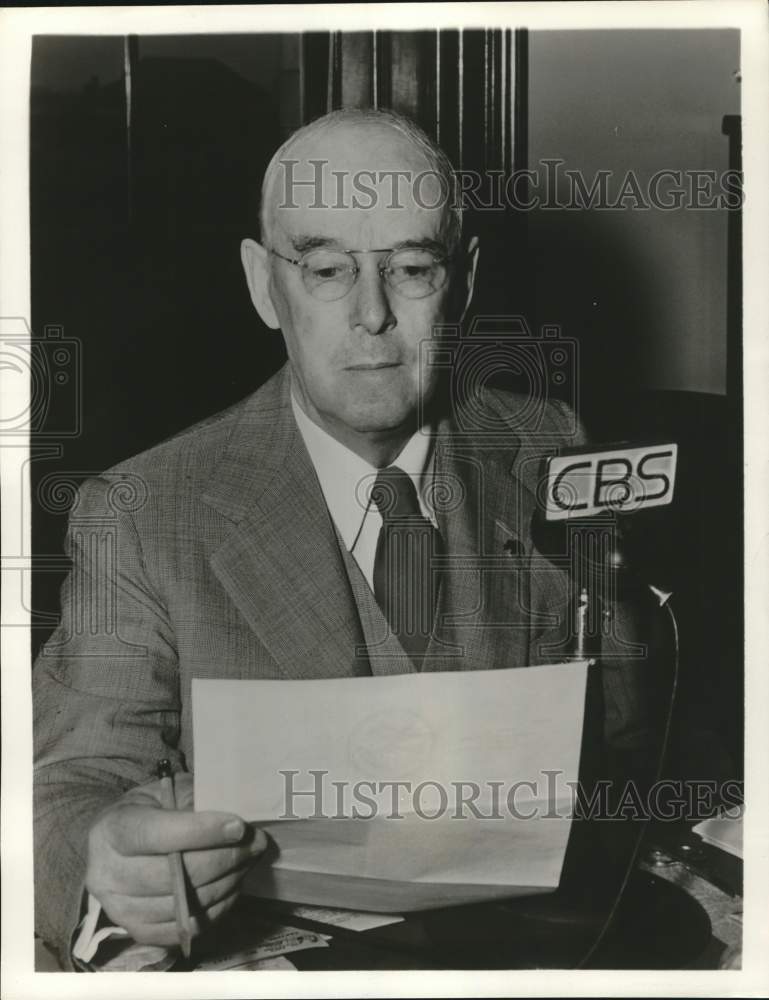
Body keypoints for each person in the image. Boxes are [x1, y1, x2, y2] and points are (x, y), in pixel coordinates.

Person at [33, 108, 656, 968]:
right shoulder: (141, 510)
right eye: (325, 269)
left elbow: (628, 738)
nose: (370, 315)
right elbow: (61, 789)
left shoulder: (547, 446)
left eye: (410, 268)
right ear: (262, 284)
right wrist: (105, 852)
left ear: (464, 281)